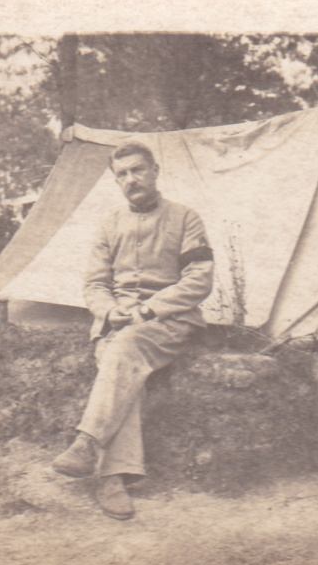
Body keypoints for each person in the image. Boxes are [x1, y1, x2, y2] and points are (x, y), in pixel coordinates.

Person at [52, 142, 214, 519]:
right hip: (117, 324)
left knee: (122, 351)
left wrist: (148, 308)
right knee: (121, 356)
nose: (131, 179)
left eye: (138, 170)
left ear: (155, 170)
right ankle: (112, 479)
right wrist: (109, 311)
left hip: (169, 321)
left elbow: (200, 279)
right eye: (122, 175)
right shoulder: (110, 225)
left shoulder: (186, 218)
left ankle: (88, 442)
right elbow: (94, 284)